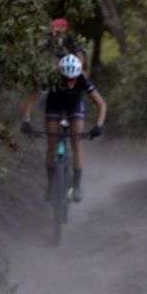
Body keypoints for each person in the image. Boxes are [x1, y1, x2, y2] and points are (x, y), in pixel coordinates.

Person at [21, 54, 106, 202]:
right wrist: (26, 121)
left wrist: (98, 125)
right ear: (61, 74)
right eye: (67, 79)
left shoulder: (82, 78)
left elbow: (101, 104)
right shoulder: (51, 78)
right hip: (55, 105)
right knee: (51, 145)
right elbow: (30, 101)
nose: (70, 82)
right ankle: (50, 185)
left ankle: (77, 186)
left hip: (74, 106)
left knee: (76, 144)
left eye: (73, 79)